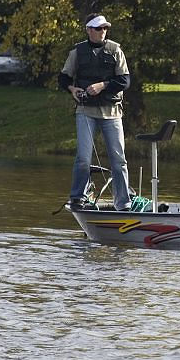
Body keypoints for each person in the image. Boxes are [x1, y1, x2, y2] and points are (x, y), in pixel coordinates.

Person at [58, 13, 132, 211]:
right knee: (83, 158)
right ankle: (77, 197)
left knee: (118, 160)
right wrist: (72, 90)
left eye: (105, 28)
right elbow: (63, 78)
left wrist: (103, 85)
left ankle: (123, 203)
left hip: (112, 113)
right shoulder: (77, 52)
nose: (103, 31)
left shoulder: (116, 50)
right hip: (85, 111)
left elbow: (124, 81)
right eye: (99, 28)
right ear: (89, 30)